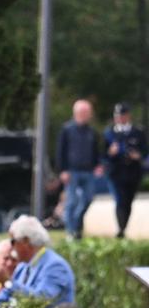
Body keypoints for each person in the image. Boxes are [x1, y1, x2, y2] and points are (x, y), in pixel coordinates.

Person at [56, 99, 103, 239]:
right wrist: (62, 170)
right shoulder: (67, 130)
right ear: (76, 113)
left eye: (88, 112)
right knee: (72, 201)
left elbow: (95, 151)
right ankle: (71, 232)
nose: (86, 115)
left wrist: (97, 165)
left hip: (88, 171)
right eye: (84, 112)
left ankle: (76, 226)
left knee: (87, 199)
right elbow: (60, 151)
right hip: (72, 171)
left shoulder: (91, 132)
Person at [104, 103, 147, 238]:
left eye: (122, 115)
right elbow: (102, 154)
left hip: (133, 172)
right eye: (117, 116)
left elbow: (145, 151)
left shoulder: (138, 132)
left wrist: (138, 155)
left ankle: (123, 227)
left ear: (128, 116)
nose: (119, 118)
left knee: (128, 201)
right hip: (116, 172)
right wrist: (111, 152)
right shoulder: (109, 132)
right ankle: (121, 229)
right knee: (120, 200)